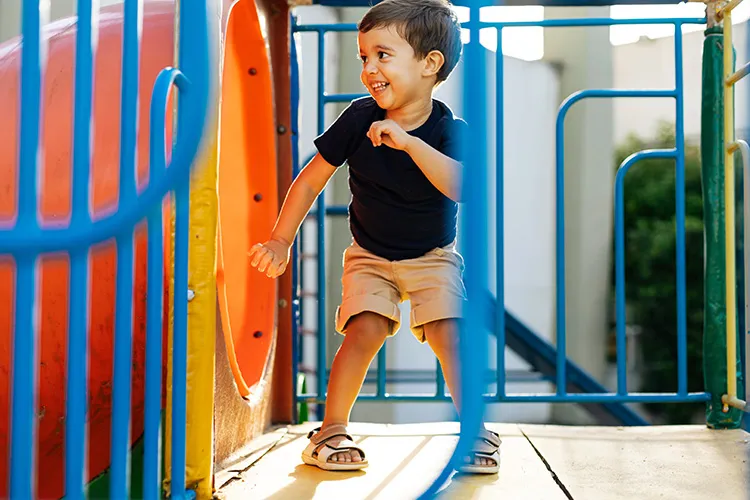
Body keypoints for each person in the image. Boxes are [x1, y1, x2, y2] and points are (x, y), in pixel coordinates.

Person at [248, 0, 500, 474]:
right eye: (364, 57)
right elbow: (310, 179)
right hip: (370, 255)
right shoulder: (358, 119)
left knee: (451, 331)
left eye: (383, 55)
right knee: (363, 330)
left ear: (430, 65)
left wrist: (409, 142)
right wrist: (281, 239)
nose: (369, 69)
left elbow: (464, 186)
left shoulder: (447, 130)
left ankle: (474, 431)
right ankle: (330, 430)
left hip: (432, 257)